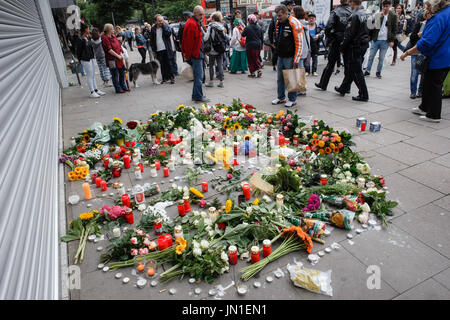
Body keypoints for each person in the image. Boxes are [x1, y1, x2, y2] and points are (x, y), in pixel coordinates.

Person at [401, 0, 450, 123]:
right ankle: (424, 107)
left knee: (434, 85)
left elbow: (427, 42)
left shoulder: (438, 17)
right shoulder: (447, 13)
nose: (426, 8)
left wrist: (407, 52)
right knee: (428, 83)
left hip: (438, 57)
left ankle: (433, 115)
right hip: (444, 56)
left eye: (427, 6)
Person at [335, 0, 370, 101]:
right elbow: (373, 29)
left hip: (356, 45)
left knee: (357, 70)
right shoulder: (368, 13)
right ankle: (344, 87)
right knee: (352, 68)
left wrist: (342, 47)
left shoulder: (355, 15)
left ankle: (364, 94)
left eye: (350, 2)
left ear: (353, 2)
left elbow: (349, 34)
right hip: (364, 43)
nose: (349, 5)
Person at [315, 0, 352, 91]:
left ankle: (323, 84)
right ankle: (346, 87)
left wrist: (331, 38)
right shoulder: (352, 11)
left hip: (337, 39)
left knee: (331, 63)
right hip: (348, 40)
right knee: (347, 64)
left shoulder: (336, 11)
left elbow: (328, 27)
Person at [271, 4, 304, 108]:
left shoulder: (295, 22)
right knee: (280, 78)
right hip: (281, 55)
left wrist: (297, 58)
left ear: (286, 13)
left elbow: (300, 42)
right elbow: (277, 36)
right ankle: (281, 97)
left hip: (290, 56)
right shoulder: (278, 22)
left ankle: (292, 100)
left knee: (292, 78)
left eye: (280, 15)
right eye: (277, 15)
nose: (278, 17)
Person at [182, 5, 209, 103]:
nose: (202, 16)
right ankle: (198, 97)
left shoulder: (194, 22)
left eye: (203, 14)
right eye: (200, 14)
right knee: (199, 77)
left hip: (197, 53)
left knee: (198, 76)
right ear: (195, 13)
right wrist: (188, 55)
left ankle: (196, 95)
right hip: (196, 54)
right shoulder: (192, 24)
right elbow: (188, 42)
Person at [364, 0, 398, 79]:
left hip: (385, 40)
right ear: (382, 6)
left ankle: (378, 72)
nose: (385, 8)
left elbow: (394, 29)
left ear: (389, 6)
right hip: (376, 39)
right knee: (371, 56)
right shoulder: (378, 14)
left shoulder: (393, 16)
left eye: (387, 6)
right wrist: (378, 17)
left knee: (381, 58)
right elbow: (370, 25)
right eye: (384, 6)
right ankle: (367, 71)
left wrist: (392, 40)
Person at [77, 23, 106, 98]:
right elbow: (78, 51)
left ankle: (96, 90)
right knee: (90, 75)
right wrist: (79, 60)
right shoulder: (80, 39)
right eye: (87, 28)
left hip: (91, 58)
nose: (89, 29)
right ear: (84, 29)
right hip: (85, 59)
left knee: (92, 75)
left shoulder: (88, 37)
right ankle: (92, 92)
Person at [404, 11, 426, 99]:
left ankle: (420, 91)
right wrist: (418, 35)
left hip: (425, 52)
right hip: (416, 51)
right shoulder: (419, 24)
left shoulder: (433, 25)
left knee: (423, 73)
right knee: (414, 72)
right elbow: (412, 37)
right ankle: (413, 92)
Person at [102, 23, 128, 94]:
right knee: (115, 74)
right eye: (112, 29)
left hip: (119, 58)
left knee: (122, 73)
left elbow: (118, 45)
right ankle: (118, 88)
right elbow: (109, 49)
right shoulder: (104, 38)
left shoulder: (113, 36)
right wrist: (117, 55)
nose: (113, 30)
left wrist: (120, 53)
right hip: (112, 59)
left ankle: (123, 85)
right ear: (108, 30)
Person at [204, 11, 227, 88]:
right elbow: (225, 37)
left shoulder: (211, 26)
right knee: (219, 65)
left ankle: (211, 82)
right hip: (220, 48)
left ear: (213, 18)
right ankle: (222, 82)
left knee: (211, 65)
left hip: (213, 49)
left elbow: (206, 38)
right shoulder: (221, 26)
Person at [151, 14, 176, 84]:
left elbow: (168, 34)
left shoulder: (166, 27)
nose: (161, 22)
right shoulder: (153, 29)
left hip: (166, 48)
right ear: (155, 21)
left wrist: (163, 26)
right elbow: (152, 40)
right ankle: (165, 78)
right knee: (162, 64)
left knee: (169, 64)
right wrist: (153, 51)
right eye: (159, 21)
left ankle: (172, 78)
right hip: (158, 49)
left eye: (161, 20)